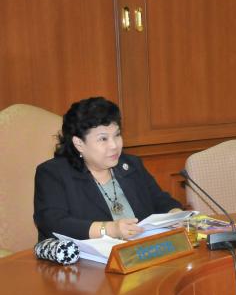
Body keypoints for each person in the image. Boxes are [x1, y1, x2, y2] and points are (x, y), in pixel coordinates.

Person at [34, 97, 183, 241]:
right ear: (79, 143)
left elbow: (160, 200)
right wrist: (109, 229)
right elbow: (53, 223)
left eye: (117, 135)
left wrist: (175, 214)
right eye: (103, 139)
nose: (114, 145)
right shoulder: (53, 174)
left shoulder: (131, 164)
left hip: (141, 250)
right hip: (88, 256)